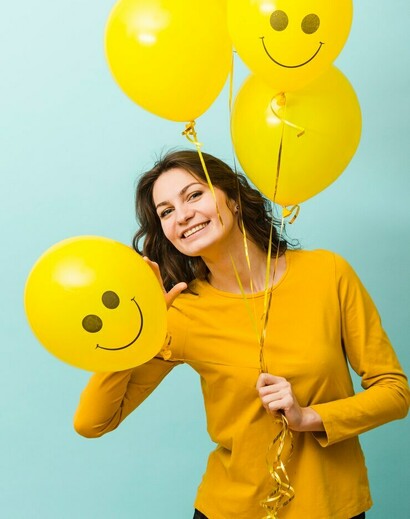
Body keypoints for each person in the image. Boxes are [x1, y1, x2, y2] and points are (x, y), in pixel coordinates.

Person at [74, 150, 409, 519]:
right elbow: (92, 422)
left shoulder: (327, 273)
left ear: (233, 199)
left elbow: (394, 392)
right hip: (229, 510)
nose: (182, 215)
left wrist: (308, 417)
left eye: (194, 195)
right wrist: (135, 329)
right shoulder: (181, 313)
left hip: (331, 507)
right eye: (166, 211)